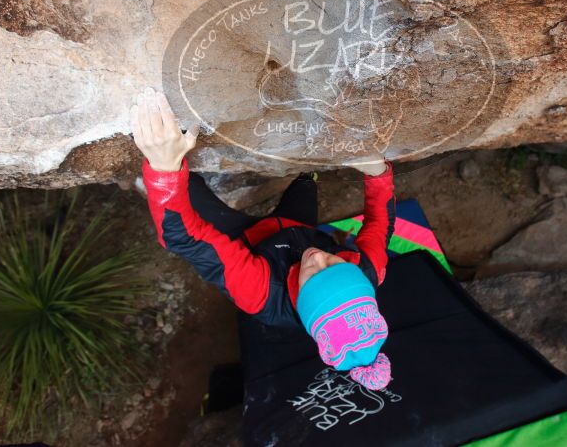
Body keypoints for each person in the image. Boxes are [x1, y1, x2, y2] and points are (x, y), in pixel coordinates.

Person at [130, 89, 396, 390]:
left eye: (314, 276)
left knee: (184, 183)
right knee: (306, 180)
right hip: (295, 227)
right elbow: (381, 223)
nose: (317, 257)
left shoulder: (260, 292)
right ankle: (308, 178)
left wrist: (164, 169)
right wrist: (377, 172)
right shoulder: (367, 269)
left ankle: (146, 175)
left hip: (245, 243)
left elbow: (184, 238)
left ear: (302, 301)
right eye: (337, 264)